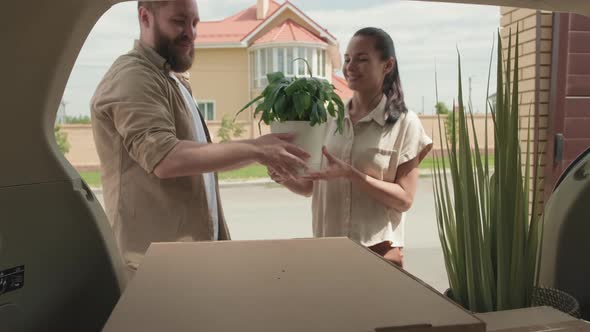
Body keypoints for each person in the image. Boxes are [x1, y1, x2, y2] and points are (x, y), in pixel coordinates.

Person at [91, 0, 309, 276]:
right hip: (153, 268)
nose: (191, 33)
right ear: (145, 18)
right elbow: (166, 158)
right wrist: (256, 150)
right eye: (179, 22)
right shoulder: (134, 76)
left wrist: (261, 153)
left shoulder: (173, 80)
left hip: (188, 261)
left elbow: (200, 163)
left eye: (194, 23)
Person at [270, 27, 433, 268]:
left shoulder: (405, 123)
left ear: (387, 65)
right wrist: (281, 175)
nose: (350, 66)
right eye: (347, 59)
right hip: (328, 251)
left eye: (362, 59)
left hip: (379, 253)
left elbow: (404, 199)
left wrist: (351, 175)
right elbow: (309, 187)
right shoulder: (327, 119)